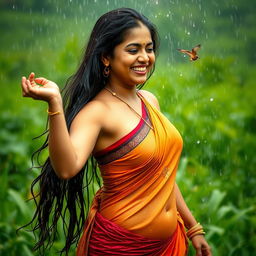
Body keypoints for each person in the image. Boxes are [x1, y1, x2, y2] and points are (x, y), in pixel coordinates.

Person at [21, 8, 211, 256]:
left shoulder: (149, 101)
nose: (144, 57)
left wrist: (192, 227)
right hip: (119, 246)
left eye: (149, 48)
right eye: (133, 50)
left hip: (168, 244)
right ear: (106, 57)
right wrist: (55, 104)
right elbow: (66, 169)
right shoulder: (97, 112)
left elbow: (162, 174)